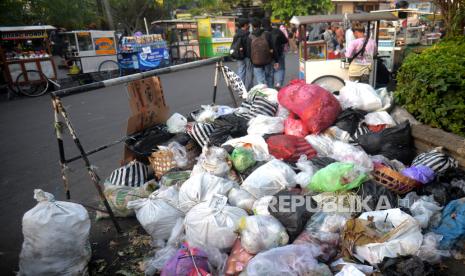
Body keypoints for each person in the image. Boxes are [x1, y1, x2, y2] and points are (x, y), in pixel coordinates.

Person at [246, 18, 275, 87]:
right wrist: (274, 58)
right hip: (267, 60)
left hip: (256, 62)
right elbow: (272, 47)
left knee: (260, 79)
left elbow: (248, 51)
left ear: (252, 26)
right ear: (261, 25)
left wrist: (252, 59)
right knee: (269, 77)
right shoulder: (267, 34)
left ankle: (263, 94)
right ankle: (270, 92)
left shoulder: (250, 36)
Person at [261, 18, 288, 88]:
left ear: (262, 25)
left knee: (269, 71)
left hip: (267, 55)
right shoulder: (277, 31)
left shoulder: (262, 33)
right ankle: (278, 83)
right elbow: (285, 40)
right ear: (270, 23)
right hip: (279, 53)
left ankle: (270, 87)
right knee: (280, 69)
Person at [231, 18, 253, 90]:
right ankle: (249, 88)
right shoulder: (248, 34)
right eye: (248, 24)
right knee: (249, 71)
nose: (249, 26)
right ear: (245, 25)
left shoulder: (236, 34)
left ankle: (241, 88)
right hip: (247, 56)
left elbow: (234, 45)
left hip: (239, 56)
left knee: (241, 71)